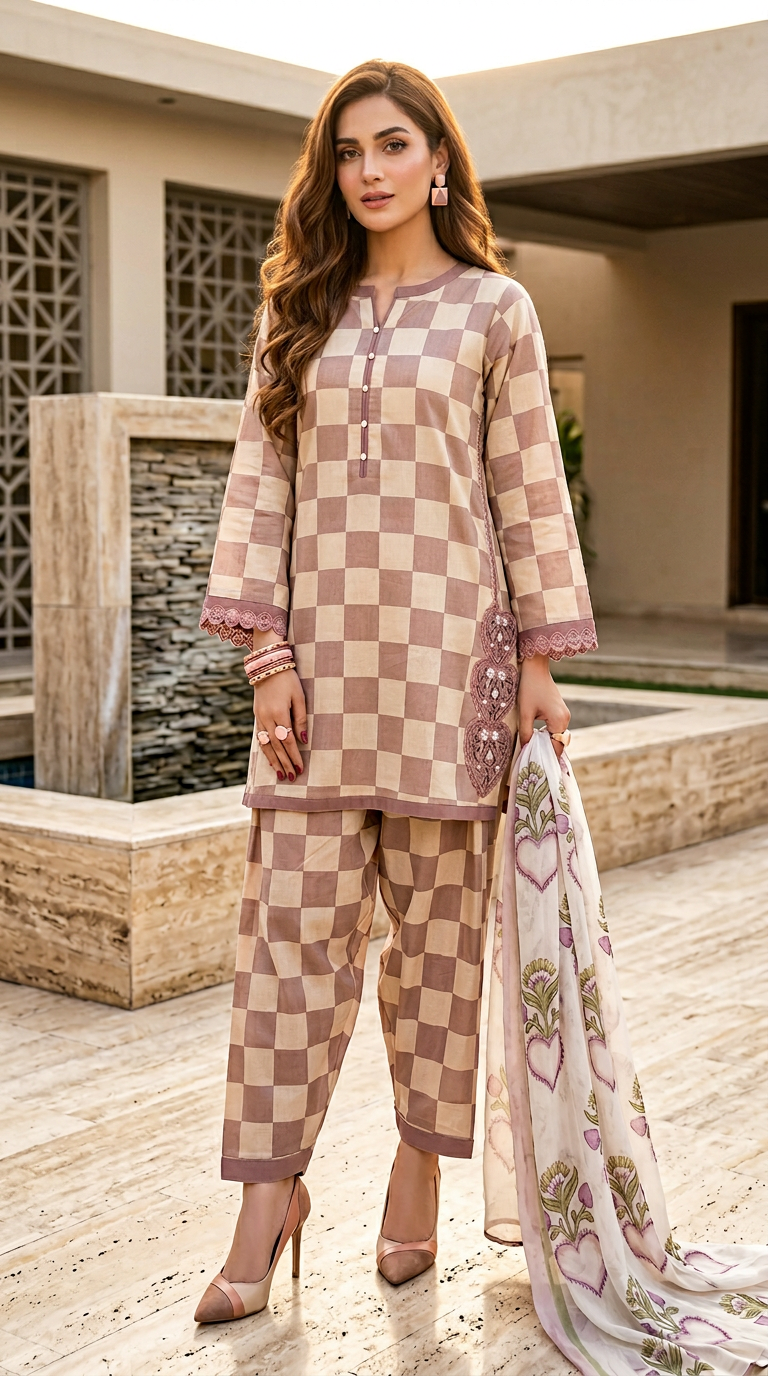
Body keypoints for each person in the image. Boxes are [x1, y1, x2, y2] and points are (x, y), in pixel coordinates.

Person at [194, 59, 596, 1324]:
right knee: (287, 952)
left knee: (437, 952)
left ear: (437, 162)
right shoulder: (298, 311)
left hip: (447, 676)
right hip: (316, 687)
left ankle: (417, 1167)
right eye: (347, 151)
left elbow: (528, 489)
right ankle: (268, 1200)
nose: (367, 170)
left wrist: (537, 666)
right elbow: (260, 489)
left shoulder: (494, 309)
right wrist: (266, 660)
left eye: (391, 145)